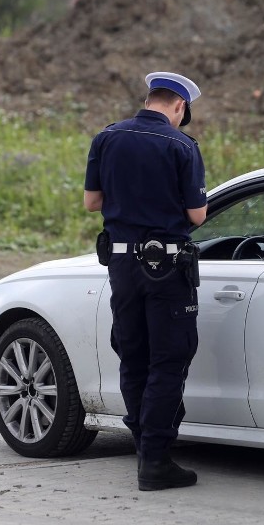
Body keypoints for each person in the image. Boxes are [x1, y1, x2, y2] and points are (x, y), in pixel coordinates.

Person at [83, 71, 207, 491]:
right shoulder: (181, 145)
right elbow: (197, 216)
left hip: (121, 265)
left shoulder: (107, 137)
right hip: (166, 267)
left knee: (133, 356)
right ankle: (155, 461)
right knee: (169, 359)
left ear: (150, 98)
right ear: (180, 106)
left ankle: (142, 448)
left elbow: (91, 202)